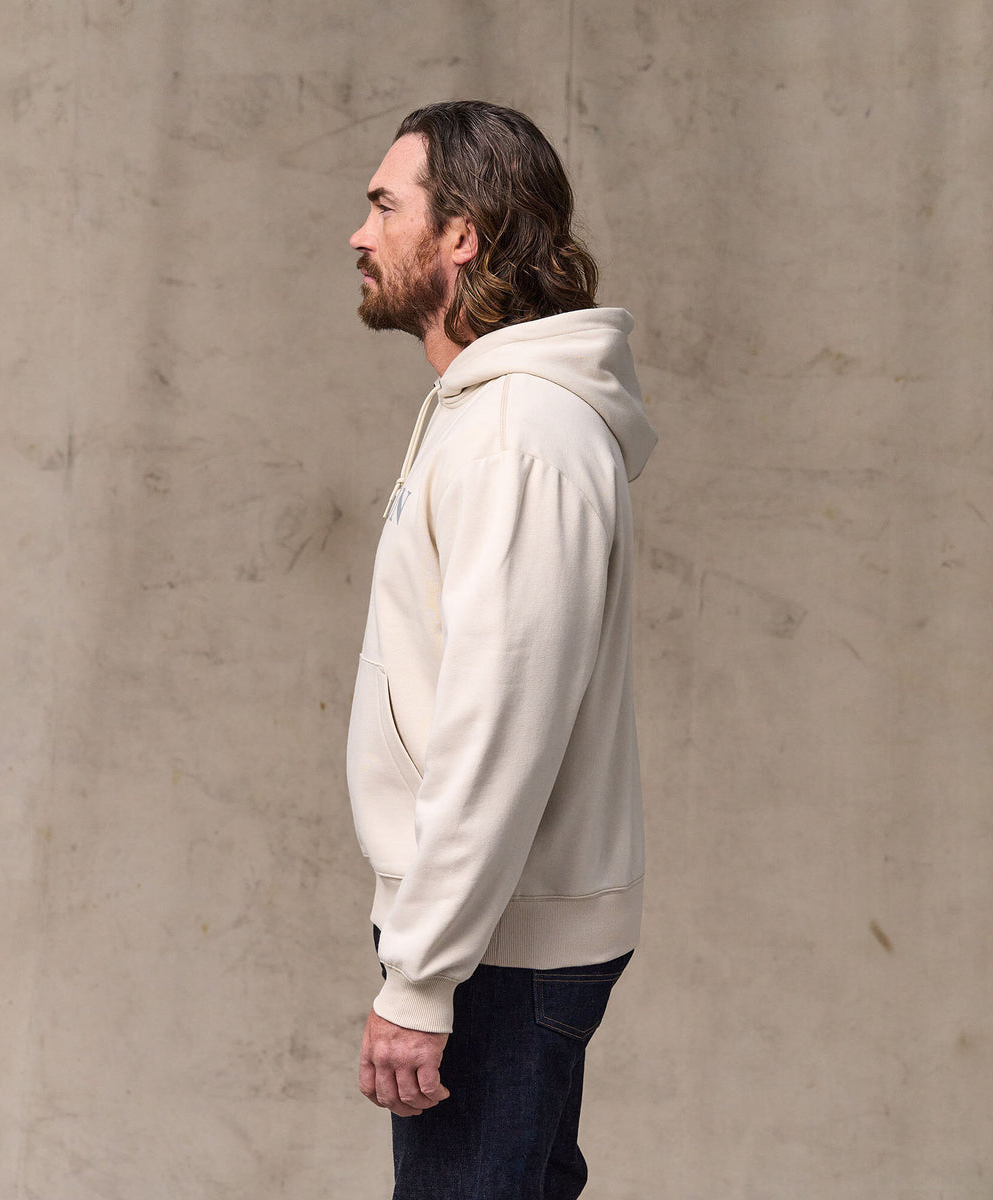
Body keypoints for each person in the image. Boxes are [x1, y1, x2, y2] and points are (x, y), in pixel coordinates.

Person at [345, 100, 656, 1199]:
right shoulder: (486, 418)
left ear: (461, 236)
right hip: (488, 935)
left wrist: (422, 977)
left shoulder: (520, 436)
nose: (360, 233)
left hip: (495, 953)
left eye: (386, 207)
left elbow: (499, 726)